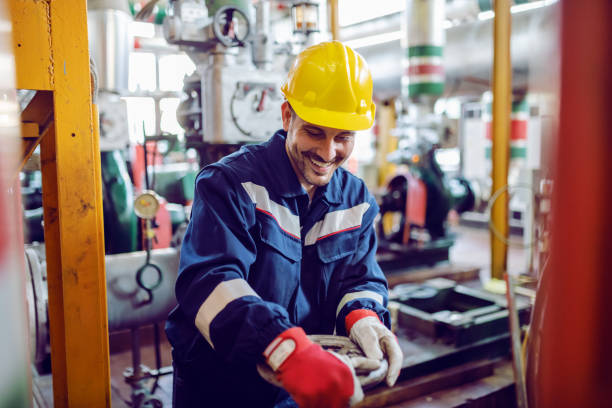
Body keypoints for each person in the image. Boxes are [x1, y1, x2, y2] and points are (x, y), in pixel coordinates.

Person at [166, 41, 403, 408]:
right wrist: (283, 347)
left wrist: (364, 316)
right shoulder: (229, 184)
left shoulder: (356, 199)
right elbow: (210, 283)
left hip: (304, 385)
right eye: (315, 132)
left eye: (343, 137)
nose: (328, 153)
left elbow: (359, 279)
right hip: (222, 387)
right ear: (287, 116)